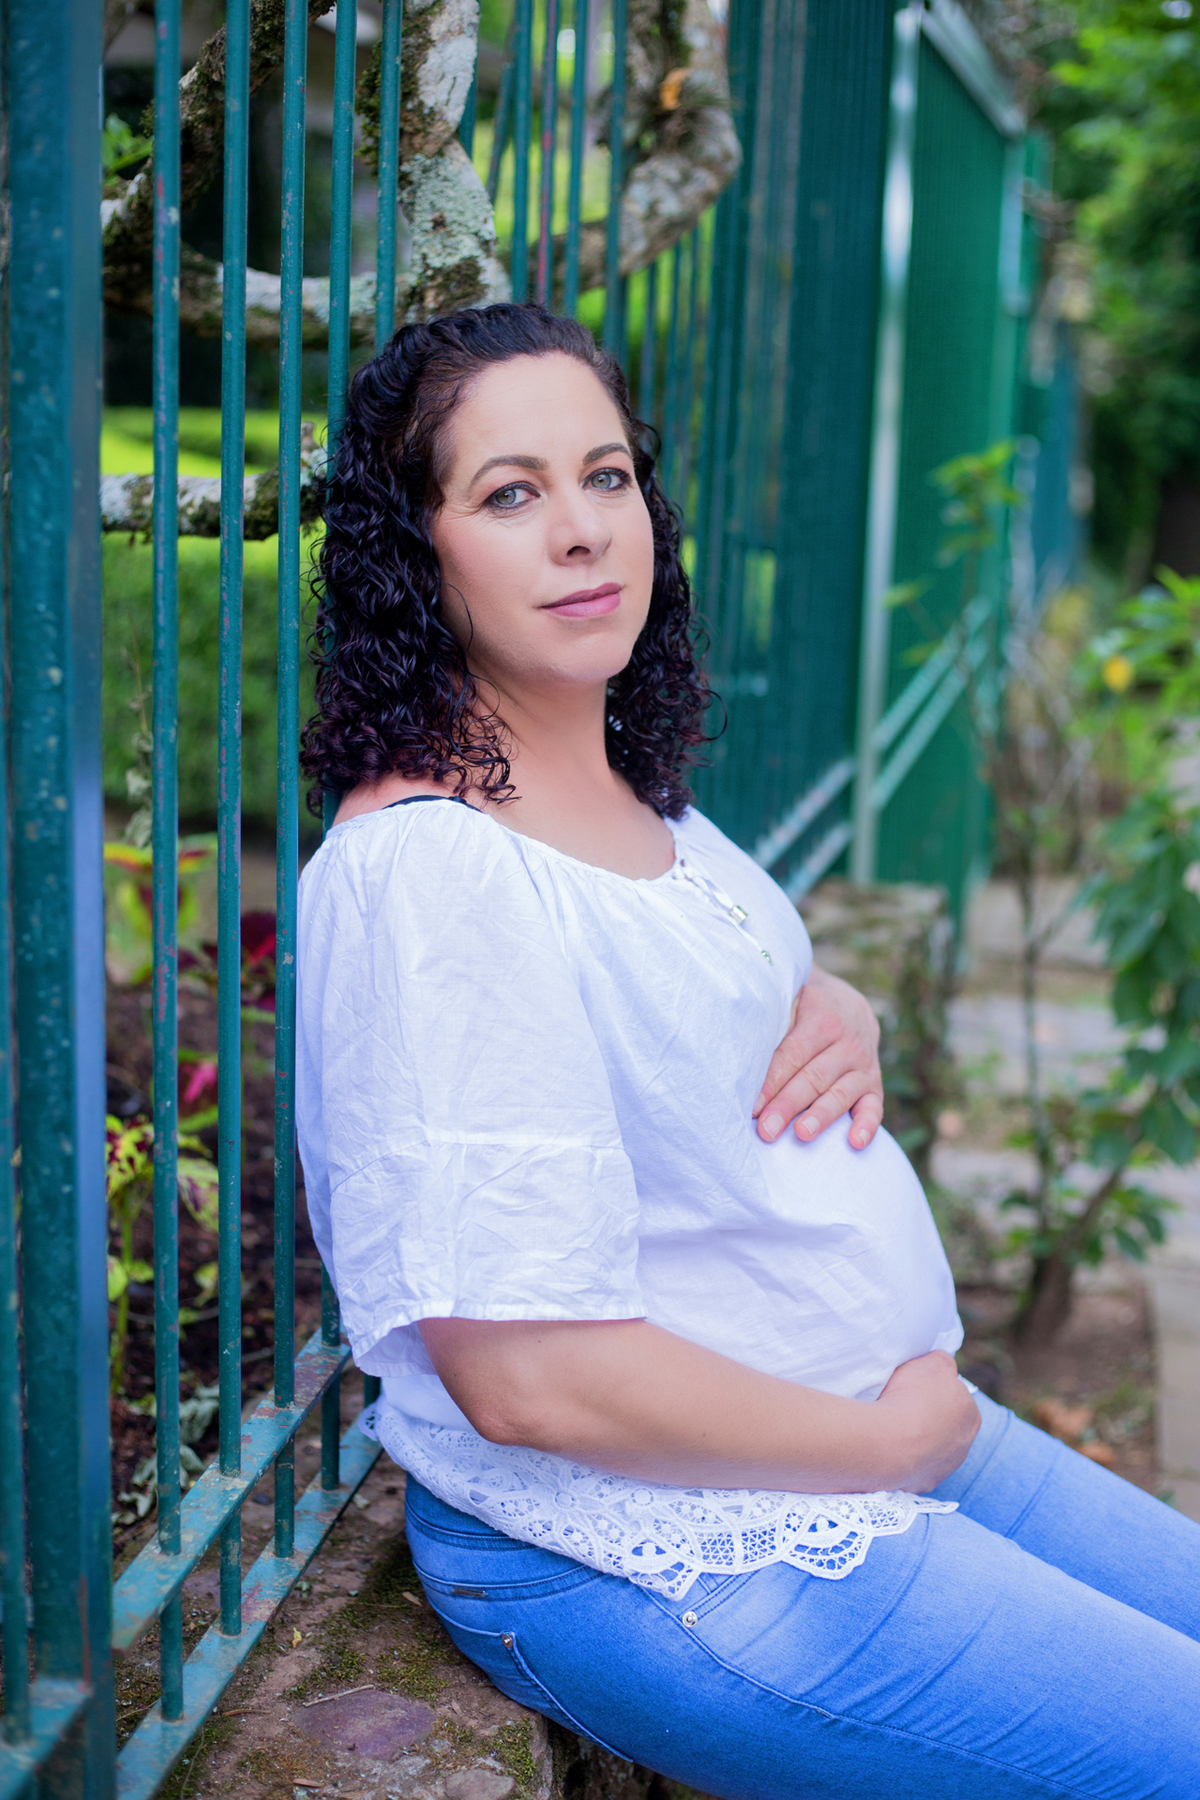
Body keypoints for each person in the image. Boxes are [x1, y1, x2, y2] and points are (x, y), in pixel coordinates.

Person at [296, 303, 1200, 1800]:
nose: (584, 531)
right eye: (510, 494)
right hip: (668, 1551)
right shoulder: (431, 877)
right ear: (418, 554)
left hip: (866, 1444)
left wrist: (842, 998)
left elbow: (678, 1007)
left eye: (606, 477)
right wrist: (890, 1448)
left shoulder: (637, 799)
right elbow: (529, 1380)